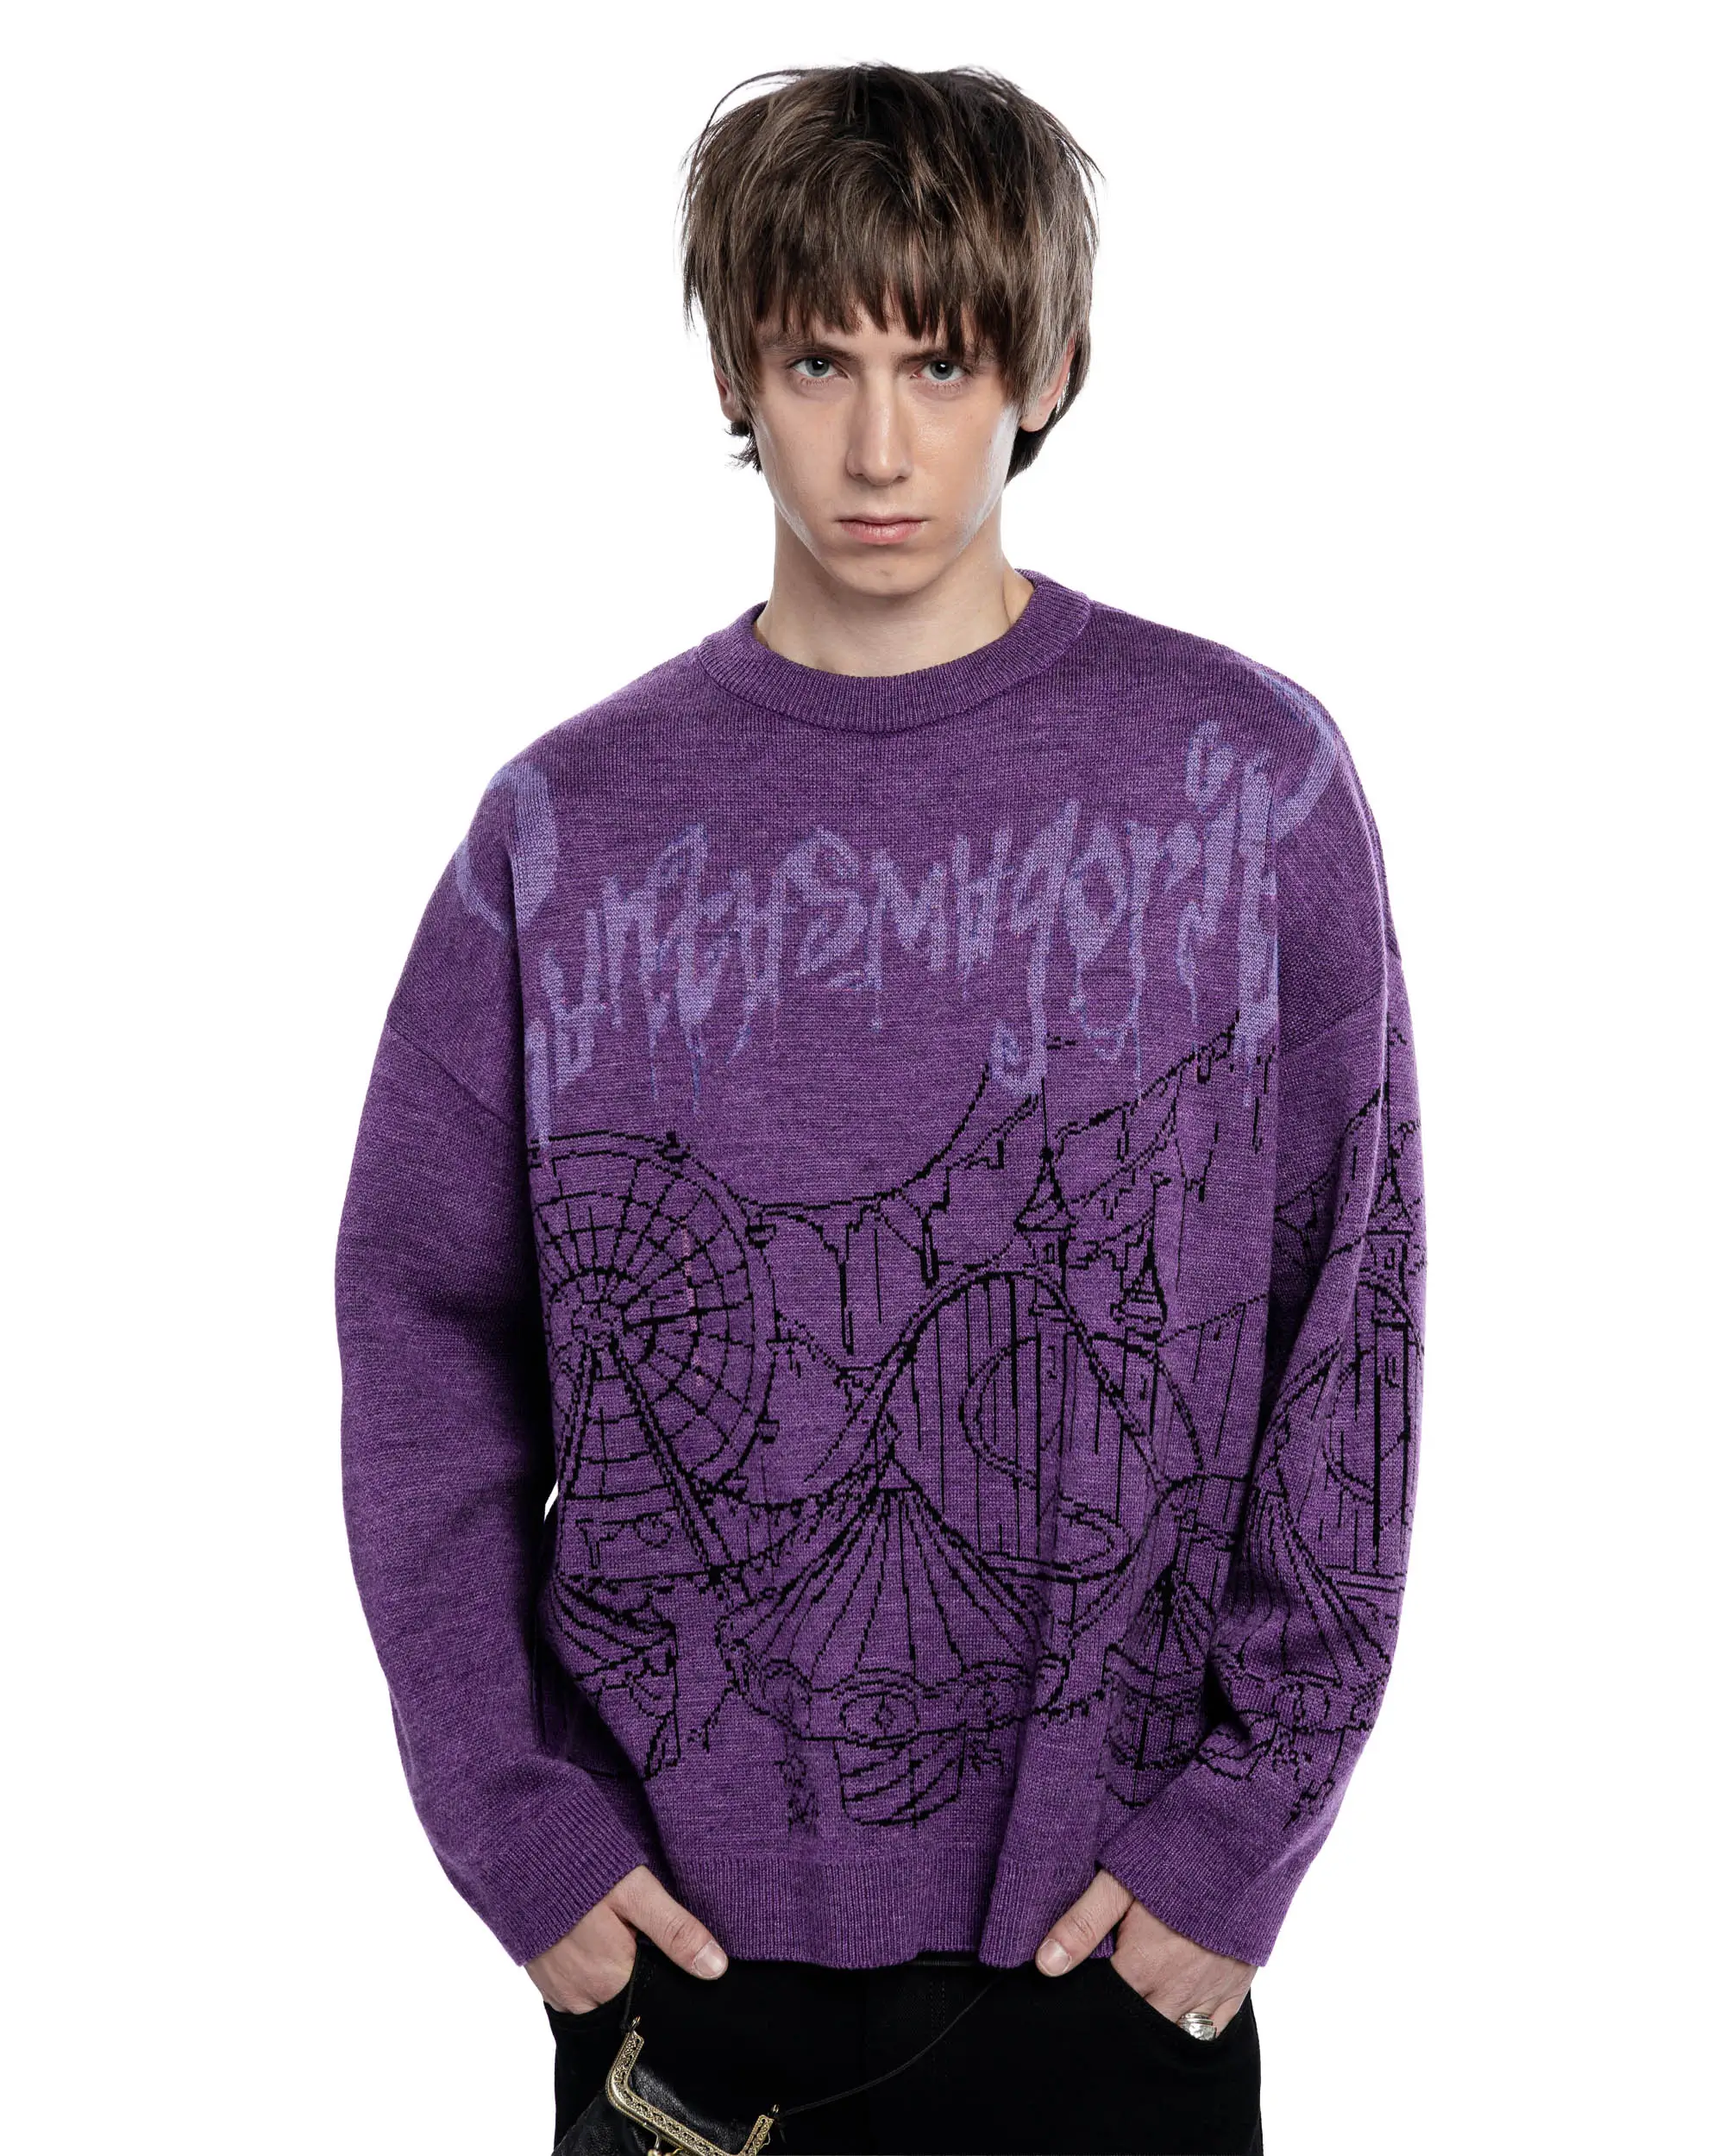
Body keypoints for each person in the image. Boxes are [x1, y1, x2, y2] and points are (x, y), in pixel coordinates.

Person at [335, 61, 1426, 2156]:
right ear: (735, 372)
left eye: (941, 361)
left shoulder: (1246, 785)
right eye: (815, 358)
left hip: (1120, 1947)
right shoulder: (567, 828)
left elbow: (1346, 1310)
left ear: (1049, 366)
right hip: (680, 1970)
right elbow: (421, 1333)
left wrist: (1246, 1823)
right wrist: (511, 1819)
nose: (875, 441)